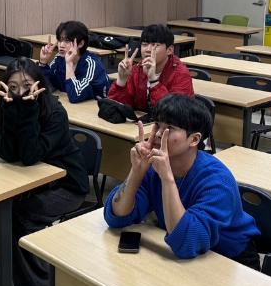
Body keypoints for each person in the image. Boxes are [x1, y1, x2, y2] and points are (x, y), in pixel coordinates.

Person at [0, 58, 89, 286]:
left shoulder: (55, 112)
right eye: (13, 87)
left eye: (27, 86)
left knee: (19, 214)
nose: (20, 93)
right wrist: (10, 112)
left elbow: (30, 155)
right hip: (29, 182)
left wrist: (26, 111)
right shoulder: (8, 105)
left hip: (66, 186)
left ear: (39, 84)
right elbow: (7, 153)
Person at [104, 94, 260, 266]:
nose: (158, 133)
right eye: (157, 124)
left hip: (231, 259)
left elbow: (187, 242)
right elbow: (117, 217)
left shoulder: (217, 182)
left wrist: (167, 178)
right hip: (187, 255)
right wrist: (136, 172)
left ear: (194, 139)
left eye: (169, 128)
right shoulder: (154, 166)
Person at [108, 23, 193, 112]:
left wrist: (153, 81)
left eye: (155, 45)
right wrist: (121, 81)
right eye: (144, 44)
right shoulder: (137, 70)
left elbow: (174, 113)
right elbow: (117, 108)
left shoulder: (180, 74)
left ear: (169, 50)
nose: (148, 49)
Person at [38, 20, 109, 103]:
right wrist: (43, 63)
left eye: (67, 41)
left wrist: (69, 64)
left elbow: (75, 96)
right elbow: (46, 86)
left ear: (81, 44)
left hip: (95, 108)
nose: (61, 45)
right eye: (60, 40)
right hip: (72, 106)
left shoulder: (92, 64)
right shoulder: (59, 58)